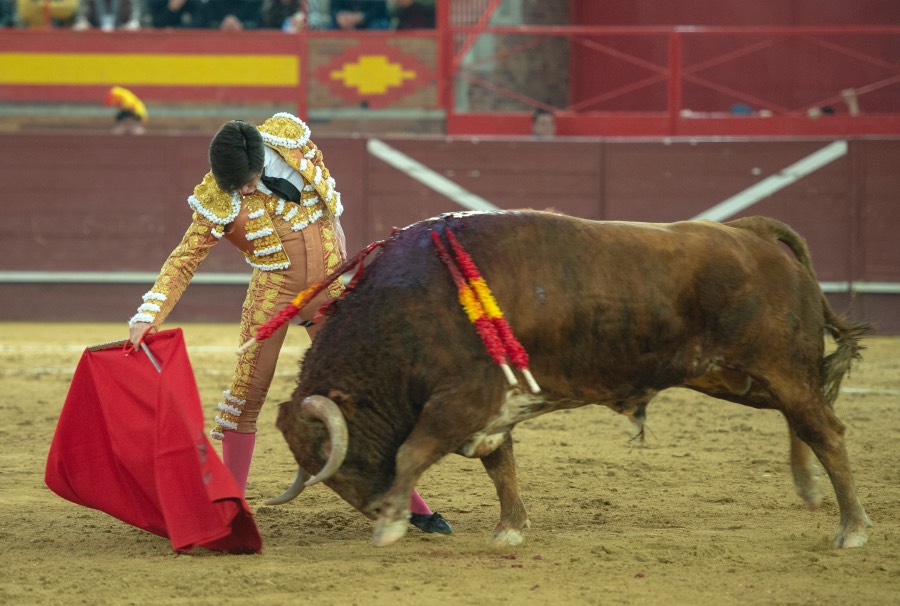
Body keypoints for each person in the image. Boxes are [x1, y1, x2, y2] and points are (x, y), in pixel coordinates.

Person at [126, 113, 451, 535]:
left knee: (361, 398)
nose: (242, 190)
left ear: (262, 160)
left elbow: (330, 204)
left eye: (247, 180)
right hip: (272, 296)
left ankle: (413, 505)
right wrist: (147, 315)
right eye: (234, 184)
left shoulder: (292, 143)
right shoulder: (217, 197)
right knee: (245, 400)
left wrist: (335, 251)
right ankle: (231, 512)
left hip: (328, 291)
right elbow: (183, 260)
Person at [261, 0, 330, 31]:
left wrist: (305, 20)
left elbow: (317, 20)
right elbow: (267, 24)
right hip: (277, 42)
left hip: (303, 43)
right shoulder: (270, 4)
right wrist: (288, 23)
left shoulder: (305, 3)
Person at [72, 0, 142, 30]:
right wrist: (83, 22)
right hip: (96, 32)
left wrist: (133, 23)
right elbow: (81, 14)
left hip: (121, 30)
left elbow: (136, 11)